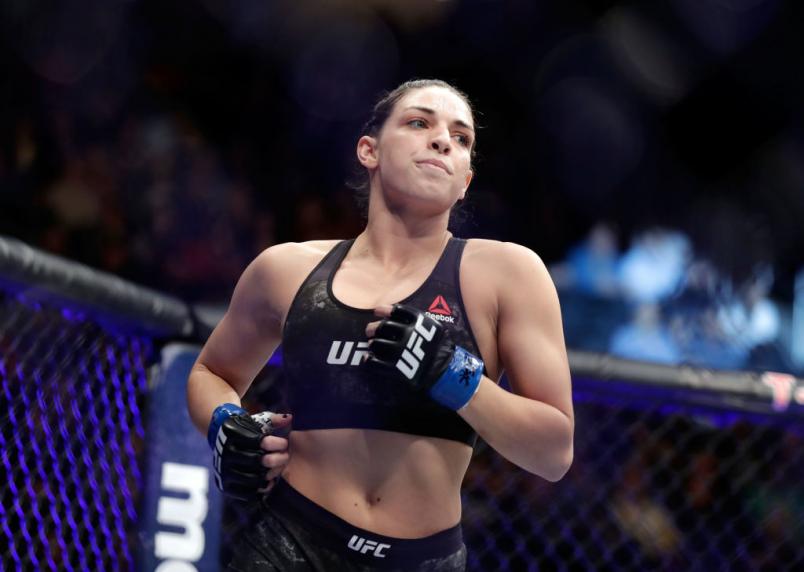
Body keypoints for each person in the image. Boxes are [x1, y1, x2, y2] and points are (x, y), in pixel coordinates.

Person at [186, 79, 574, 571]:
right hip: (288, 544)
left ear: (465, 181)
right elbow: (210, 373)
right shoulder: (285, 269)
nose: (442, 141)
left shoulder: (508, 274)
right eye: (419, 123)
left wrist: (452, 375)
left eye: (461, 138)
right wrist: (226, 421)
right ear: (369, 150)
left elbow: (554, 452)